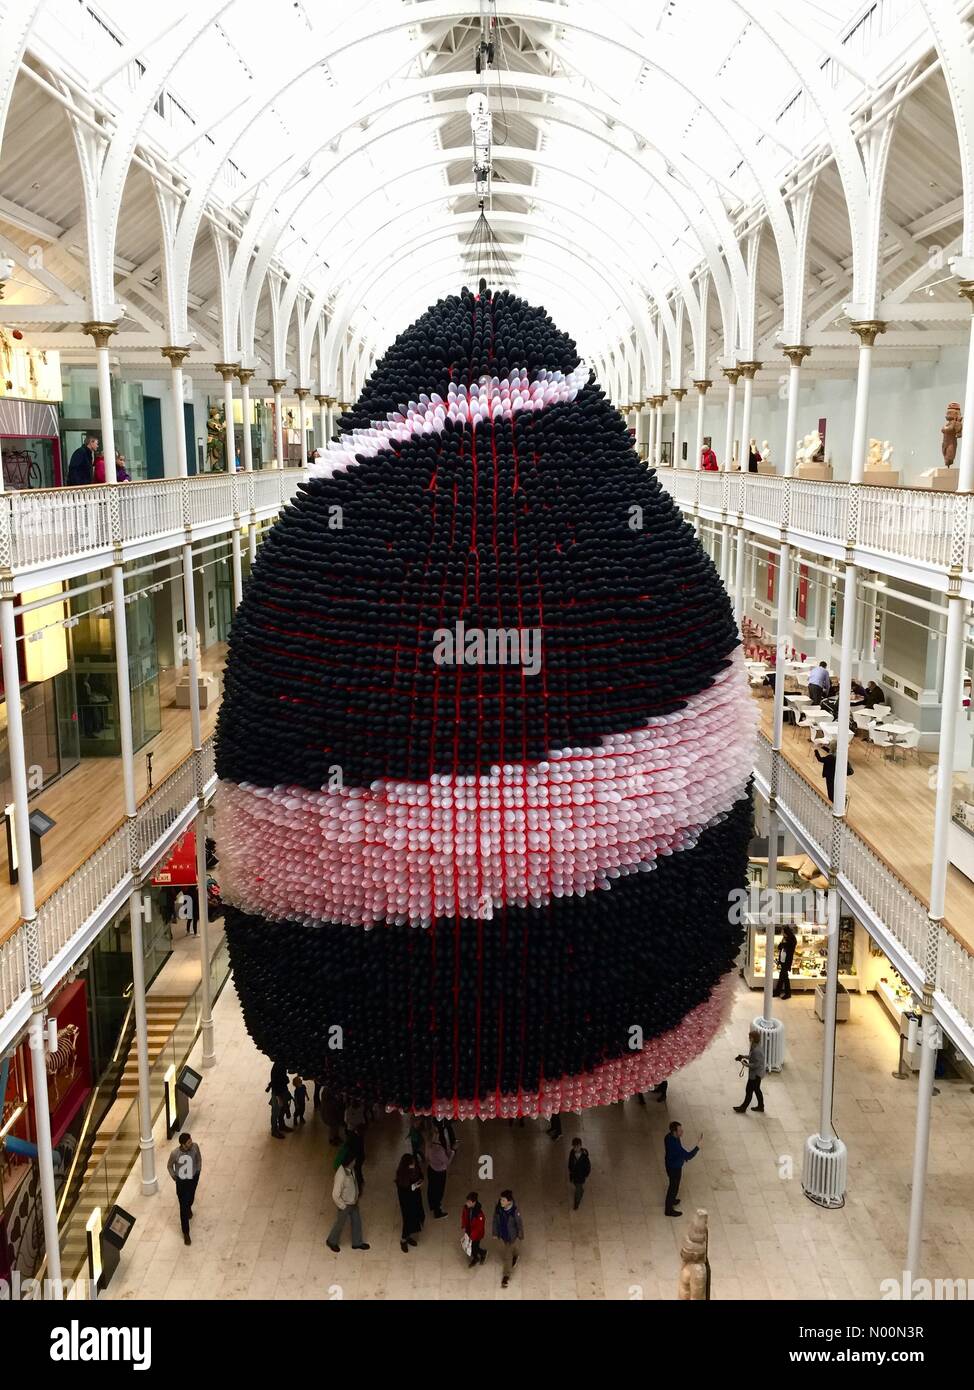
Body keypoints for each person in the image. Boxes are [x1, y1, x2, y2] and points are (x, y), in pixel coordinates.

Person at [326, 1155, 369, 1252]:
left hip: (353, 1202)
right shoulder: (341, 1175)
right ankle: (331, 1241)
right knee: (339, 1224)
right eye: (353, 1161)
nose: (355, 1162)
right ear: (349, 1162)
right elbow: (335, 1194)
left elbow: (354, 1184)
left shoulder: (350, 1170)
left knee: (357, 1221)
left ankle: (357, 1243)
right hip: (345, 1204)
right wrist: (343, 1206)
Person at [167, 1132, 202, 1246]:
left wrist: (198, 1171)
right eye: (188, 1142)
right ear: (183, 1144)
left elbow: (199, 1159)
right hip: (181, 1182)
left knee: (191, 1198)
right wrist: (174, 1177)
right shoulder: (175, 1154)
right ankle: (186, 1233)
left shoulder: (195, 1147)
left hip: (193, 1179)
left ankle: (189, 1208)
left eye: (191, 1140)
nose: (191, 1143)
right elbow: (169, 1166)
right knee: (183, 1207)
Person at [663, 1121, 700, 1217]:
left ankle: (672, 1200)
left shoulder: (668, 1137)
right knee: (673, 1187)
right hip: (674, 1168)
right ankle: (669, 1209)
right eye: (680, 1130)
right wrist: (698, 1146)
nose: (682, 1131)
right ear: (674, 1132)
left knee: (673, 1185)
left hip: (670, 1164)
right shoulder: (675, 1145)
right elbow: (689, 1155)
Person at [492, 1190, 524, 1288]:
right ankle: (516, 1254)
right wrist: (495, 1233)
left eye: (503, 1200)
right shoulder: (498, 1208)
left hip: (511, 1236)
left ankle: (506, 1276)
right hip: (503, 1234)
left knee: (507, 1256)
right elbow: (495, 1220)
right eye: (501, 1199)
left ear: (509, 1202)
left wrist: (520, 1234)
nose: (501, 1201)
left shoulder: (514, 1212)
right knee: (510, 1247)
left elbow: (519, 1224)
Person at [395, 1152, 426, 1252]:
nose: (414, 1165)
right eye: (411, 1163)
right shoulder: (401, 1175)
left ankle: (408, 1237)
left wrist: (420, 1180)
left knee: (416, 1216)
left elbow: (421, 1175)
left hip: (416, 1197)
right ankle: (403, 1239)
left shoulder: (415, 1168)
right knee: (408, 1220)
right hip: (407, 1201)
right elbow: (403, 1190)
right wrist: (413, 1186)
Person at [734, 1028, 767, 1114]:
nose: (749, 1038)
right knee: (756, 1090)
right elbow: (751, 1056)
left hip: (755, 1075)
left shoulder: (757, 1050)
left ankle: (743, 1108)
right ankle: (760, 1106)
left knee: (749, 1091)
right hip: (755, 1074)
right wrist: (743, 1056)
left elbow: (757, 1064)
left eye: (750, 1037)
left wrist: (746, 1065)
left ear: (753, 1038)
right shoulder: (755, 1046)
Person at [426, 1121, 454, 1218]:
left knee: (431, 1188)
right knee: (439, 1191)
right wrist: (453, 1152)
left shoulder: (428, 1146)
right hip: (439, 1172)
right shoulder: (439, 1150)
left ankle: (431, 1204)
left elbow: (427, 1158)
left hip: (431, 1168)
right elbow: (447, 1162)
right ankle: (437, 1211)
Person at [461, 1192, 487, 1267]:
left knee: (474, 1247)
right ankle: (478, 1255)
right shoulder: (466, 1208)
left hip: (476, 1235)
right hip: (469, 1231)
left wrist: (472, 1237)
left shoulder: (479, 1214)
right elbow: (464, 1216)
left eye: (469, 1202)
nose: (467, 1203)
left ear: (474, 1202)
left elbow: (479, 1228)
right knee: (472, 1247)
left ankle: (480, 1255)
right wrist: (463, 1225)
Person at [266, 1059, 290, 1138]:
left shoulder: (280, 1065)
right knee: (276, 1112)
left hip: (282, 1090)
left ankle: (281, 1125)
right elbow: (276, 1083)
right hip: (278, 1093)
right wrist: (278, 1097)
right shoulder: (279, 1068)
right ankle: (274, 1130)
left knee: (281, 1109)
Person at [773, 924, 797, 1000]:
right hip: (782, 959)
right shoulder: (785, 938)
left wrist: (784, 944)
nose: (782, 933)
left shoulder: (792, 939)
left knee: (784, 976)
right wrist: (783, 944)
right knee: (783, 976)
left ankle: (786, 993)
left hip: (787, 960)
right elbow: (780, 946)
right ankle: (779, 991)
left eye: (783, 931)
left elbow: (789, 948)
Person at [568, 1137, 591, 1210]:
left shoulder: (584, 1156)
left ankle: (576, 1202)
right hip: (574, 1175)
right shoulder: (572, 1153)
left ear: (580, 1146)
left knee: (577, 1190)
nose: (576, 1148)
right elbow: (570, 1162)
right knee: (576, 1185)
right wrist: (570, 1169)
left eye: (577, 1146)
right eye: (574, 1146)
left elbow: (588, 1166)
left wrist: (586, 1174)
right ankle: (581, 1190)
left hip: (580, 1176)